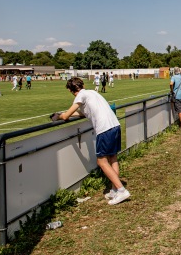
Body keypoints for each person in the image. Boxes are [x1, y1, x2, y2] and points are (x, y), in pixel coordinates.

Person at [54, 77, 130, 205]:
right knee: (113, 158)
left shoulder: (80, 96)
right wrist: (67, 113)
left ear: (70, 90)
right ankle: (115, 189)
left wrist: (59, 116)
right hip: (115, 125)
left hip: (104, 129)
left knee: (101, 162)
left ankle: (122, 190)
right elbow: (84, 113)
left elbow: (66, 117)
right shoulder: (93, 93)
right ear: (82, 85)